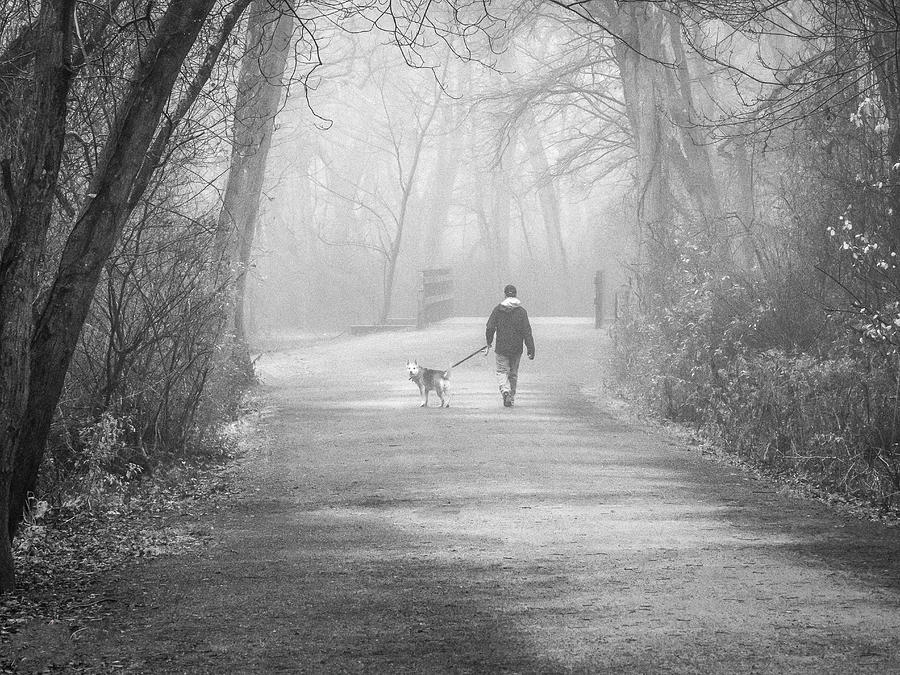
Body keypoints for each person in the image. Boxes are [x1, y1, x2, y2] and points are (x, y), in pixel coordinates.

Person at [485, 284, 535, 407]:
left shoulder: (498, 310)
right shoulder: (521, 312)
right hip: (516, 348)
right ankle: (511, 396)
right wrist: (530, 347)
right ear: (516, 295)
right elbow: (527, 331)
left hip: (502, 347)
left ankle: (505, 391)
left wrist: (489, 342)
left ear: (505, 295)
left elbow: (490, 327)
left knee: (502, 371)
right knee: (513, 373)